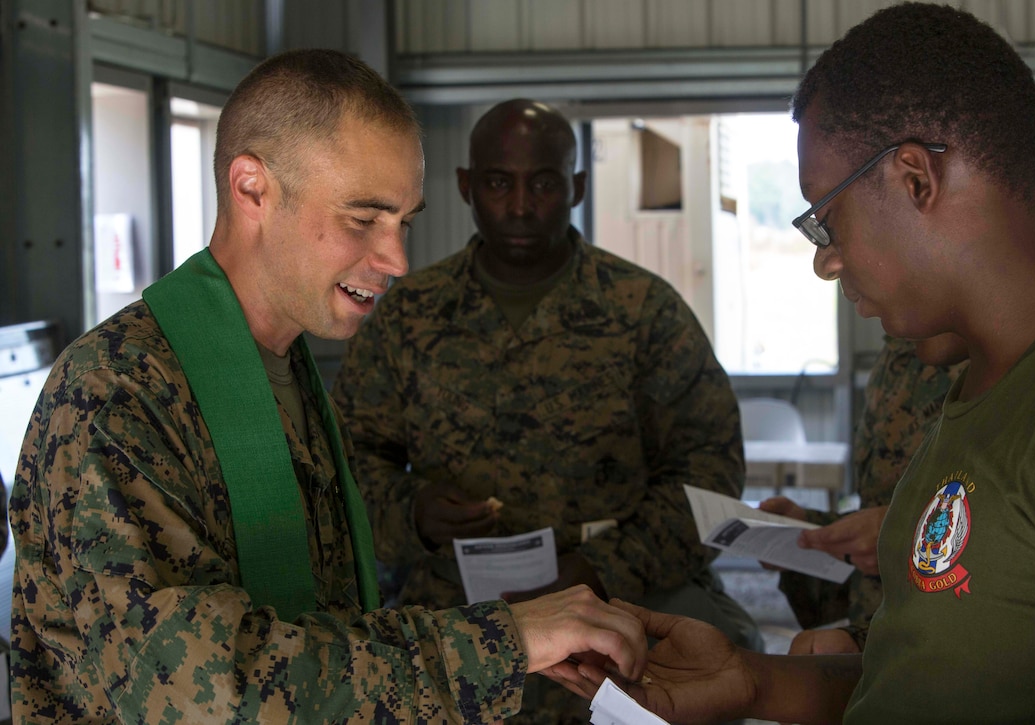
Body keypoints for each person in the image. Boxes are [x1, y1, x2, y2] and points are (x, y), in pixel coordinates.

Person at [7, 50, 648, 724]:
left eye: (403, 220)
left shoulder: (284, 367)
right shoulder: (119, 391)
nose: (397, 258)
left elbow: (326, 622)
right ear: (252, 188)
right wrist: (504, 640)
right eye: (362, 219)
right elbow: (208, 689)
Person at [566, 4, 1035, 722]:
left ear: (914, 180)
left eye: (828, 218)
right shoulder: (979, 388)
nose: (826, 261)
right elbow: (942, 671)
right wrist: (751, 679)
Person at [332, 98, 761, 722]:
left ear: (577, 187)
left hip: (615, 632)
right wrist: (414, 512)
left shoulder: (644, 312)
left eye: (544, 182)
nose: (522, 205)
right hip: (457, 637)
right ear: (466, 187)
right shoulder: (408, 316)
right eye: (500, 183)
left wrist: (599, 567)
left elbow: (710, 481)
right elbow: (346, 461)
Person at [762, 333, 968, 654]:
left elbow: (1013, 529)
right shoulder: (899, 350)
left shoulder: (989, 353)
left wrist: (904, 535)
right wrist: (813, 526)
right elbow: (883, 507)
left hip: (947, 647)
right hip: (884, 635)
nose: (838, 282)